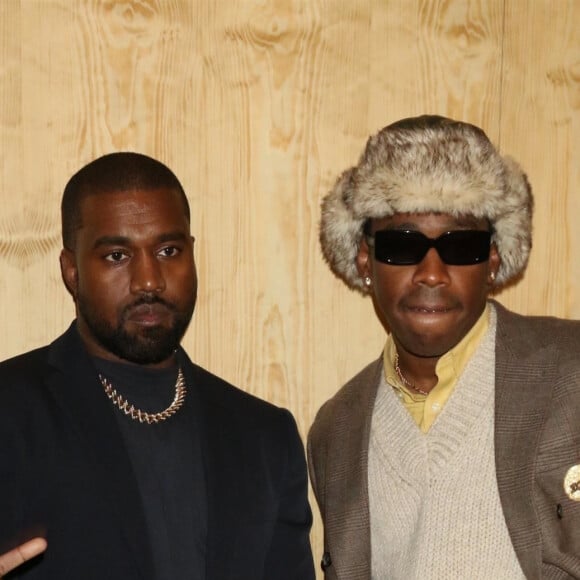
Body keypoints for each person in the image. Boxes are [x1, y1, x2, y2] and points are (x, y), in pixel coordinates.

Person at [0, 152, 315, 579]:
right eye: (116, 255)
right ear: (71, 271)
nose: (149, 279)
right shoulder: (11, 412)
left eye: (168, 250)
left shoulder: (265, 438)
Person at [307, 115, 580, 579]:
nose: (431, 272)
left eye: (461, 246)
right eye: (401, 244)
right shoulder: (336, 432)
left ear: (493, 258)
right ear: (364, 259)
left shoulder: (569, 373)